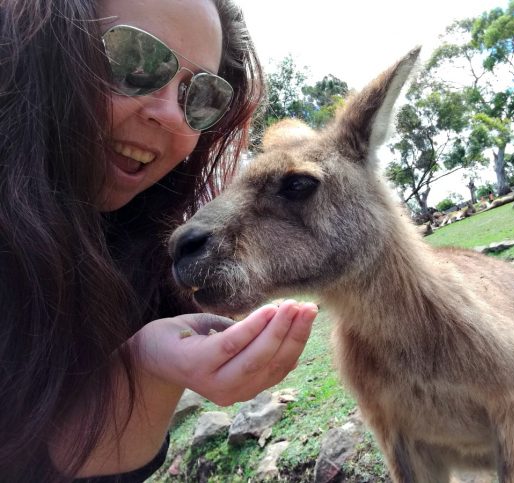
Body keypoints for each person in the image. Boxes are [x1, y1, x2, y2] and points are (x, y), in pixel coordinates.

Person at [0, 0, 318, 481]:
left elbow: (54, 460)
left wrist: (149, 366)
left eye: (201, 95)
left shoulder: (136, 247)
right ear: (38, 49)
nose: (173, 116)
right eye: (135, 61)